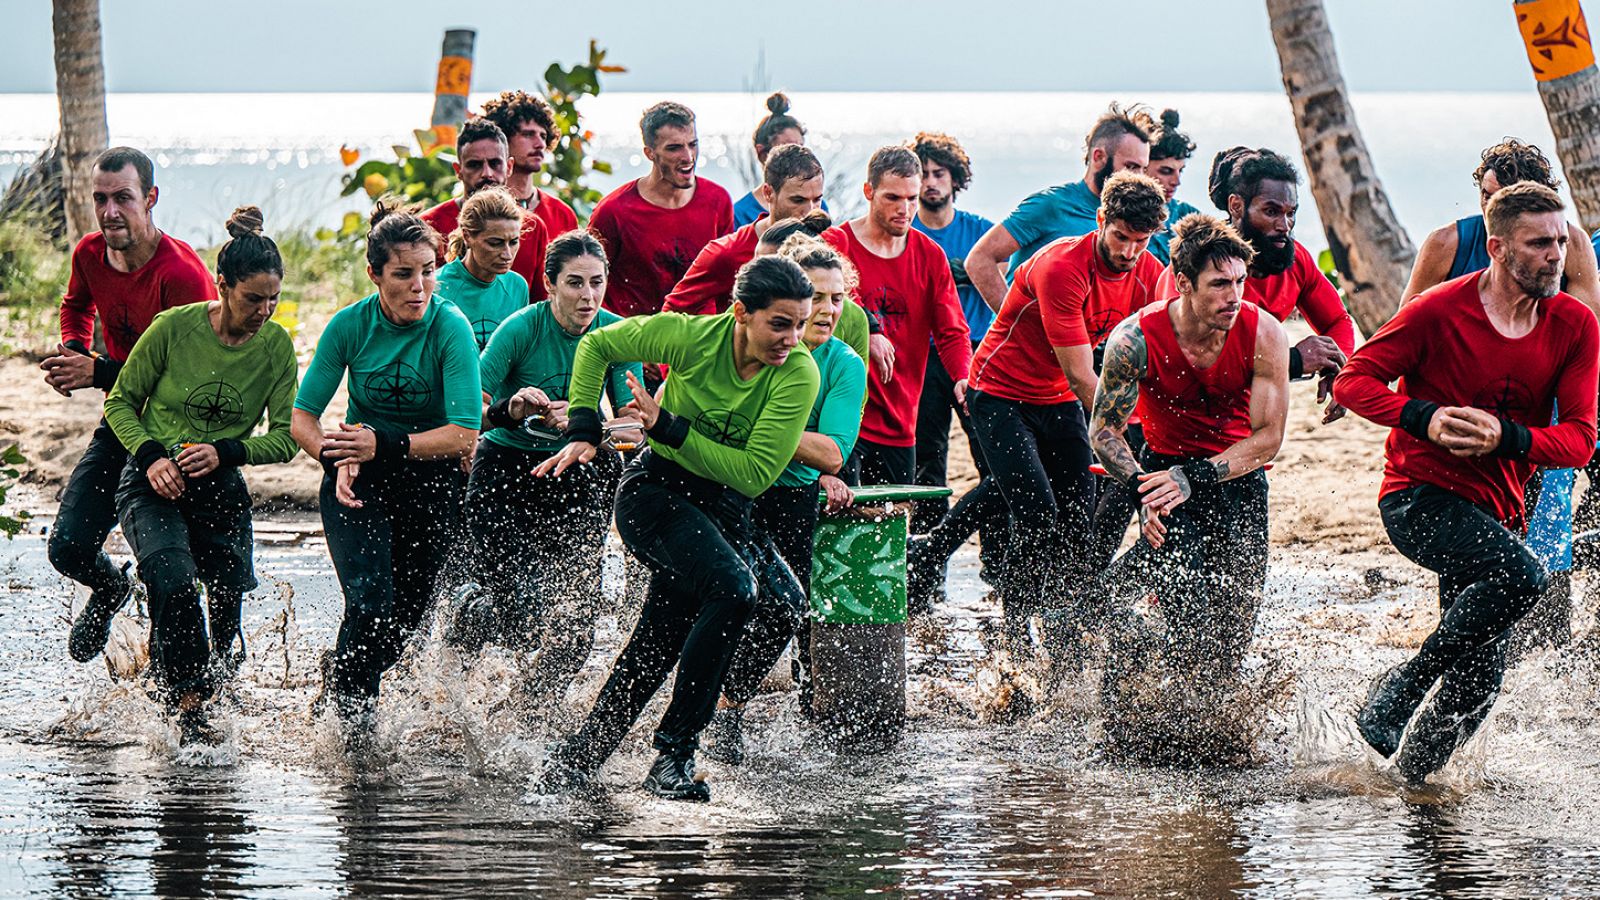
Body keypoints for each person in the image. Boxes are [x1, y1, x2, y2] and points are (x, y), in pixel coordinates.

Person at [1334, 182, 1599, 786]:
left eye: (1561, 241)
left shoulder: (1575, 325)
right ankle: (1402, 686)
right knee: (1524, 576)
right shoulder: (1439, 309)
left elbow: (1581, 440)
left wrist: (1506, 439)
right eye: (1539, 244)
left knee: (1481, 680)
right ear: (1500, 248)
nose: (1556, 255)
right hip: (1417, 496)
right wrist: (1423, 416)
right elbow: (1354, 380)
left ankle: (1407, 784)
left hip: (1499, 509)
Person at [534, 255, 820, 803]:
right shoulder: (692, 338)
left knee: (759, 610)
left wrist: (667, 426)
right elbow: (598, 345)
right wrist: (585, 427)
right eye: (779, 324)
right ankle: (675, 753)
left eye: (801, 324)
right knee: (734, 589)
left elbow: (756, 475)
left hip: (726, 507)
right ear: (741, 313)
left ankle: (578, 758)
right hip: (657, 494)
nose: (792, 338)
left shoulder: (798, 372)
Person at [918, 174, 1170, 635]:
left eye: (1141, 241)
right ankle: (1016, 632)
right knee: (1036, 512)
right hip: (999, 392)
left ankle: (1059, 619)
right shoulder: (1062, 267)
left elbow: (1167, 347)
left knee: (1075, 514)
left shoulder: (1149, 271)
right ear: (1100, 220)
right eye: (1120, 237)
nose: (1129, 252)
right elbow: (1081, 375)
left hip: (1057, 401)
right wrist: (1130, 430)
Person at [102, 207, 299, 743]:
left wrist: (226, 451)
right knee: (173, 582)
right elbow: (121, 402)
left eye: (272, 299)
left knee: (226, 628)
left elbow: (285, 438)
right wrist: (150, 458)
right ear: (222, 286)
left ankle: (193, 692)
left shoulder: (277, 348)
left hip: (220, 489)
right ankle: (185, 711)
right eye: (252, 298)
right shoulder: (175, 328)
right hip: (152, 481)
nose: (263, 310)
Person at [291, 204, 482, 741]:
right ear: (375, 275)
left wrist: (384, 444)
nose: (419, 286)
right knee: (370, 605)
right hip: (359, 483)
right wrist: (337, 456)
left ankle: (340, 678)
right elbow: (302, 417)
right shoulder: (350, 325)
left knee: (396, 633)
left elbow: (464, 433)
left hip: (433, 481)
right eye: (403, 274)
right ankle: (352, 741)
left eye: (428, 270)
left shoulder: (451, 327)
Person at [1400, 140, 1600, 645]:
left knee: (1542, 517)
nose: (1496, 213)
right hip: (1460, 413)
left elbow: (1586, 326)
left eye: (1507, 198)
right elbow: (1404, 328)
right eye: (1488, 198)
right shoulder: (1449, 241)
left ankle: (1543, 637)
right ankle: (1465, 642)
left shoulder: (1568, 244)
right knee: (1468, 526)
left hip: (1537, 412)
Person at [1089, 213, 1289, 693]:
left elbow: (1268, 438)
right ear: (1183, 283)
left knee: (1231, 639)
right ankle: (1139, 709)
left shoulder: (1265, 334)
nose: (1234, 296)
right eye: (1220, 284)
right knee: (1187, 627)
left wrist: (1192, 477)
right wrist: (1144, 492)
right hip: (1162, 479)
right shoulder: (1134, 339)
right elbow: (1105, 431)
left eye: (1240, 281)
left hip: (1237, 479)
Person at [44, 146, 217, 665]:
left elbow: (191, 383)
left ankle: (195, 674)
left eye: (123, 198)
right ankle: (110, 591)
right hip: (120, 422)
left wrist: (97, 372)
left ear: (151, 199)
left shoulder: (183, 275)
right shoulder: (88, 254)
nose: (110, 211)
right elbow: (75, 305)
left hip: (177, 439)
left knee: (175, 575)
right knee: (67, 548)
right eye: (100, 199)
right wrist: (75, 349)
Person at [703, 235, 867, 764]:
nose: (828, 310)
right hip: (732, 489)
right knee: (735, 599)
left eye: (837, 298)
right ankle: (701, 707)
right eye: (816, 297)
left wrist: (770, 430)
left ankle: (727, 706)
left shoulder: (843, 363)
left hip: (793, 494)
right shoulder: (755, 345)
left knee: (789, 611)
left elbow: (833, 453)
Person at [464, 230, 642, 701]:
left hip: (579, 472)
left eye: (597, 283)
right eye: (575, 283)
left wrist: (590, 425)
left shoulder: (614, 333)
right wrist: (514, 408)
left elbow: (636, 430)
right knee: (520, 607)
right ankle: (466, 622)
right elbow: (468, 413)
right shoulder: (522, 328)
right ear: (549, 285)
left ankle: (526, 716)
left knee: (578, 620)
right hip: (507, 469)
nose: (588, 296)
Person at [1155, 147, 1354, 422]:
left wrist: (1337, 370)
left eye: (1291, 213)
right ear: (1236, 206)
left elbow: (1337, 320)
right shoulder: (1196, 264)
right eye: (1271, 211)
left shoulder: (1296, 261)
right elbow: (1191, 361)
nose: (1284, 225)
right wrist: (1293, 361)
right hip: (1182, 421)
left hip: (1250, 420)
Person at [824, 146, 971, 486]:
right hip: (843, 417)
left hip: (901, 418)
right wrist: (869, 330)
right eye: (893, 198)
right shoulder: (836, 243)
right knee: (841, 524)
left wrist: (962, 376)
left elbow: (952, 331)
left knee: (894, 524)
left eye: (911, 198)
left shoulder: (930, 256)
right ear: (869, 192)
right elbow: (833, 301)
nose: (905, 210)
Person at [964, 104, 1155, 310]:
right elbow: (979, 259)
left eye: (1143, 168)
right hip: (1026, 337)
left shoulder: (1134, 224)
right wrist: (1013, 321)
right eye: (1131, 167)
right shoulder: (1051, 205)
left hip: (1080, 337)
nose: (1139, 178)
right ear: (1098, 157)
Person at [908, 132, 999, 541]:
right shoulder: (905, 233)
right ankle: (928, 561)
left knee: (990, 456)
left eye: (939, 173)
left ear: (955, 178)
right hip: (924, 355)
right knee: (928, 459)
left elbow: (1005, 273)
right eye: (922, 174)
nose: (930, 182)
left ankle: (997, 560)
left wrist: (971, 271)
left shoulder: (981, 232)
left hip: (979, 351)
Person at [589, 101, 734, 323]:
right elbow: (591, 280)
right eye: (674, 148)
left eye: (693, 144)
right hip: (634, 343)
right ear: (650, 153)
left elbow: (726, 281)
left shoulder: (718, 201)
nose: (688, 157)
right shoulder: (614, 211)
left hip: (699, 340)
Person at [663, 143, 826, 315]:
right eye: (798, 200)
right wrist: (723, 333)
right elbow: (669, 319)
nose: (810, 211)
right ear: (768, 193)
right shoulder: (726, 253)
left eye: (817, 199)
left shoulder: (832, 242)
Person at [419, 119, 549, 302]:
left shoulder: (533, 227)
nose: (487, 173)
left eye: (495, 163)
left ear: (509, 167)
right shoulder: (428, 225)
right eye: (475, 164)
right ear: (459, 170)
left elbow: (540, 303)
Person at [434, 187, 530, 349]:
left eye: (513, 242)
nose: (507, 254)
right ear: (467, 236)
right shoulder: (438, 286)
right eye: (495, 243)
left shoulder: (517, 286)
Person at [479, 89, 580, 239]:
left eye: (543, 136)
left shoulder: (562, 214)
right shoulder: (474, 213)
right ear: (501, 139)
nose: (540, 144)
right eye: (528, 134)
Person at [732, 93, 828, 227]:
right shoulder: (740, 214)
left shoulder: (817, 205)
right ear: (762, 153)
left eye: (800, 147)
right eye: (786, 148)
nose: (796, 156)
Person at [1144, 109, 1202, 265]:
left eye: (1180, 171)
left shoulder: (1190, 217)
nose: (1176, 181)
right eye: (1166, 171)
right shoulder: (1115, 215)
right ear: (1141, 166)